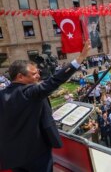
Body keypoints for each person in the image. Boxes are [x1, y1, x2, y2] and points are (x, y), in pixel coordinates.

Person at [0, 40, 91, 171]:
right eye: (34, 74)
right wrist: (80, 58)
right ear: (20, 77)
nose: (38, 76)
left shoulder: (2, 95)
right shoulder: (29, 92)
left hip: (13, 156)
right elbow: (54, 81)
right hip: (35, 154)